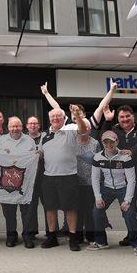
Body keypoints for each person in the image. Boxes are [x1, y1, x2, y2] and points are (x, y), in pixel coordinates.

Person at [103, 104, 137, 250]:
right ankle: (132, 234)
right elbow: (104, 139)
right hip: (123, 180)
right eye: (121, 117)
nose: (125, 119)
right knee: (128, 210)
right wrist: (107, 120)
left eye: (127, 116)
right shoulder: (114, 130)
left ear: (133, 116)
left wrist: (131, 151)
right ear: (118, 118)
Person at [88, 131, 137, 256]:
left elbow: (131, 180)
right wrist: (98, 197)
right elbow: (95, 178)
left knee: (129, 214)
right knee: (96, 211)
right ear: (102, 143)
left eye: (111, 141)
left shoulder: (125, 157)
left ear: (117, 141)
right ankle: (101, 241)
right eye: (105, 141)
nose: (109, 144)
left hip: (123, 187)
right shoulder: (97, 157)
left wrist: (127, 200)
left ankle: (136, 244)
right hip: (107, 188)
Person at [39, 105, 87, 251]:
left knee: (70, 208)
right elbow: (40, 155)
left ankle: (73, 238)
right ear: (49, 119)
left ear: (63, 118)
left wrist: (77, 115)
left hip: (68, 176)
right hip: (49, 177)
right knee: (50, 208)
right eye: (52, 117)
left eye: (58, 116)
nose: (55, 119)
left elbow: (83, 130)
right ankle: (52, 237)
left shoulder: (71, 129)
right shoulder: (44, 136)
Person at [0, 117, 36, 248]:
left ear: (22, 127)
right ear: (8, 127)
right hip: (7, 181)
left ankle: (27, 236)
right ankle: (11, 235)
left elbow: (33, 159)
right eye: (13, 126)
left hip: (25, 182)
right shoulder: (1, 141)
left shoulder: (29, 141)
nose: (15, 129)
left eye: (17, 126)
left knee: (27, 211)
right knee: (9, 212)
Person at [24, 116, 46, 241]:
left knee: (48, 205)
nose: (33, 125)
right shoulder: (23, 139)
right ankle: (31, 231)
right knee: (31, 206)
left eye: (35, 123)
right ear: (27, 126)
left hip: (45, 175)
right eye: (30, 123)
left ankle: (51, 231)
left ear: (39, 125)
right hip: (29, 178)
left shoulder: (46, 136)